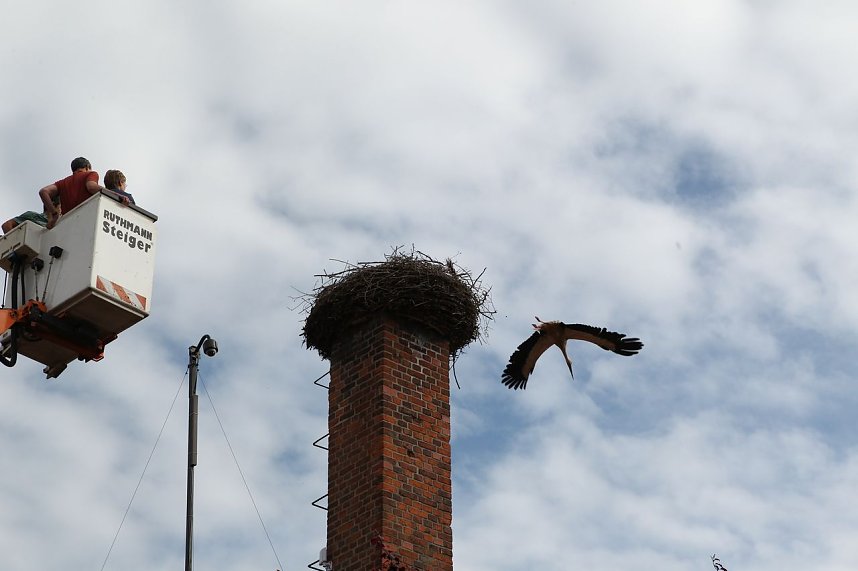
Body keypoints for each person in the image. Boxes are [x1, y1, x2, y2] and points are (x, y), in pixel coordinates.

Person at [38, 157, 108, 229]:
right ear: (87, 167)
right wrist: (114, 195)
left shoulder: (62, 183)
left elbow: (43, 192)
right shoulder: (91, 174)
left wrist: (54, 214)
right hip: (87, 219)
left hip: (67, 226)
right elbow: (91, 187)